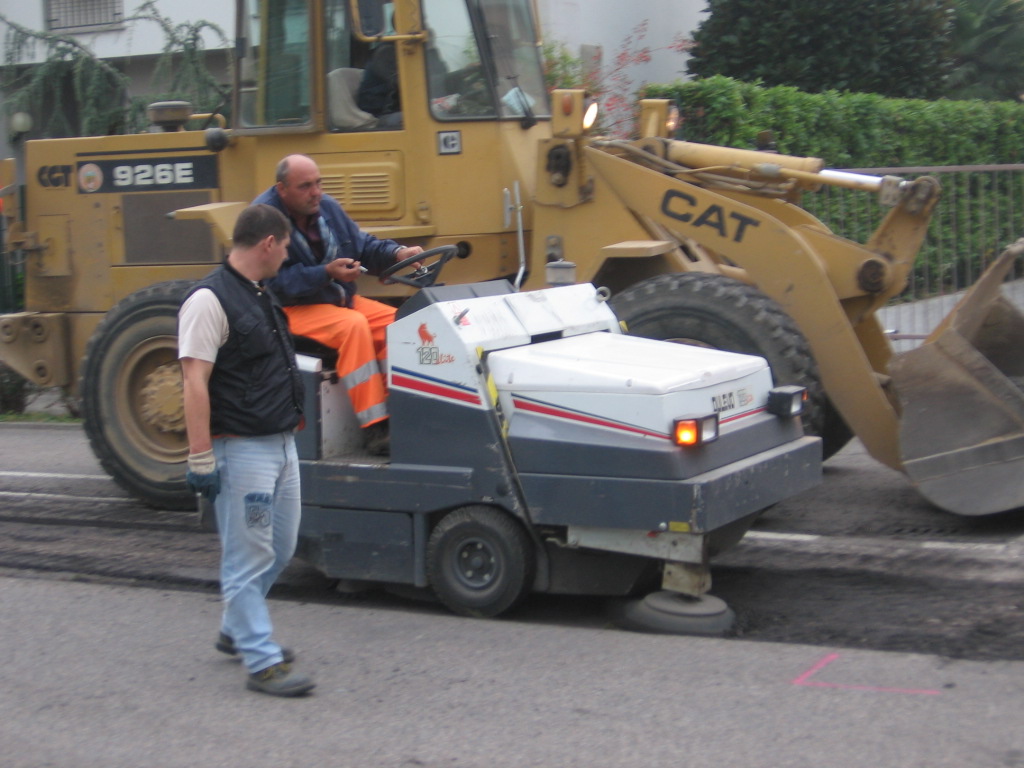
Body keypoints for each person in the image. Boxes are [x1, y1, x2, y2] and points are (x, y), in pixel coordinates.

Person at [179, 203, 314, 698]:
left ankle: (237, 627)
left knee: (279, 547)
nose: (287, 256)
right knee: (248, 556)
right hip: (243, 453)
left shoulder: (260, 293)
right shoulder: (208, 301)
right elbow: (194, 379)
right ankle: (262, 661)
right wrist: (200, 456)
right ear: (268, 244)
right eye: (285, 247)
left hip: (280, 444)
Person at [253, 154, 423, 455]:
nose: (315, 192)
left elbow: (363, 244)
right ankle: (375, 428)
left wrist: (398, 253)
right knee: (353, 326)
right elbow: (275, 283)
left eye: (318, 184)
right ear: (282, 189)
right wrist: (325, 273)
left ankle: (404, 411)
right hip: (286, 309)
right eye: (305, 186)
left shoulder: (326, 208)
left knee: (400, 322)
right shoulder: (264, 220)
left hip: (336, 299)